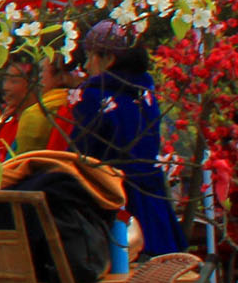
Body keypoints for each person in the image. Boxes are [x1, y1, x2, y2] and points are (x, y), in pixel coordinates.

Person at [71, 20, 184, 255]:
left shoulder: (93, 96)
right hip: (154, 204)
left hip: (112, 204)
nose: (86, 65)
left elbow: (80, 153)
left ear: (108, 59)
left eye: (90, 57)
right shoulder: (146, 92)